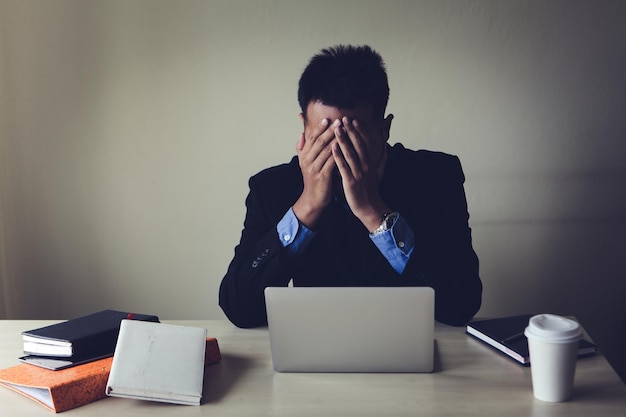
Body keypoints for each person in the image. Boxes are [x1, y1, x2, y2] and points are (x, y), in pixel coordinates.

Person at [219, 45, 482, 328]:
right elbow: (239, 309)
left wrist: (375, 214)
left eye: (352, 136)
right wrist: (306, 207)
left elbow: (462, 305)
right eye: (323, 134)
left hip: (407, 352)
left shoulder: (437, 177)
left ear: (384, 130)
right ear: (304, 129)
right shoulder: (272, 188)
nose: (338, 149)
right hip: (313, 353)